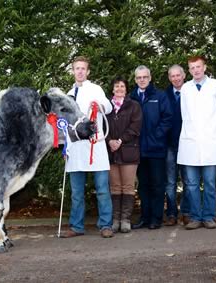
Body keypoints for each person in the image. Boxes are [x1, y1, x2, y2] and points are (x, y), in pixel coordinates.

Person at [60, 56, 114, 238]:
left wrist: (99, 106)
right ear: (73, 71)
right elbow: (64, 122)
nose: (80, 71)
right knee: (76, 192)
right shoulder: (68, 93)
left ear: (88, 71)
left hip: (94, 146)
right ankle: (76, 226)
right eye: (77, 68)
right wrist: (65, 147)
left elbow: (108, 106)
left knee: (102, 189)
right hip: (75, 149)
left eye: (83, 68)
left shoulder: (95, 89)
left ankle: (106, 225)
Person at [178, 55, 216, 230]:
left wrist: (213, 132)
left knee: (209, 183)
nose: (196, 70)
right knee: (191, 184)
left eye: (198, 67)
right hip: (190, 143)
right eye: (192, 68)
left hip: (211, 143)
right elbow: (185, 114)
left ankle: (208, 216)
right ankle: (195, 217)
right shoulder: (185, 88)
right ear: (189, 70)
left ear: (204, 67)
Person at [130, 65, 172, 230]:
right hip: (138, 150)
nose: (142, 80)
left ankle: (156, 218)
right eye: (139, 77)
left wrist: (157, 136)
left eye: (145, 77)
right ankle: (145, 217)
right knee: (143, 185)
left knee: (157, 184)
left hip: (156, 149)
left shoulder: (160, 96)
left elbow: (168, 118)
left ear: (150, 78)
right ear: (135, 80)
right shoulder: (131, 97)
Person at [106, 76, 142, 233]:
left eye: (122, 86)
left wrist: (120, 140)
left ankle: (125, 220)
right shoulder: (106, 107)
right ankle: (115, 220)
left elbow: (136, 127)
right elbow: (99, 126)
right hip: (111, 152)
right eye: (116, 86)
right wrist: (109, 141)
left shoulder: (134, 106)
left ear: (126, 89)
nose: (119, 89)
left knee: (127, 186)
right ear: (112, 89)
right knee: (115, 187)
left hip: (129, 151)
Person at [164, 64, 191, 226]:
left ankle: (186, 213)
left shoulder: (191, 92)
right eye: (172, 76)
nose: (175, 78)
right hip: (169, 145)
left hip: (188, 143)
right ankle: (172, 214)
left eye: (178, 75)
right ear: (169, 78)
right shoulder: (164, 95)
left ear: (184, 75)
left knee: (188, 180)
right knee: (170, 182)